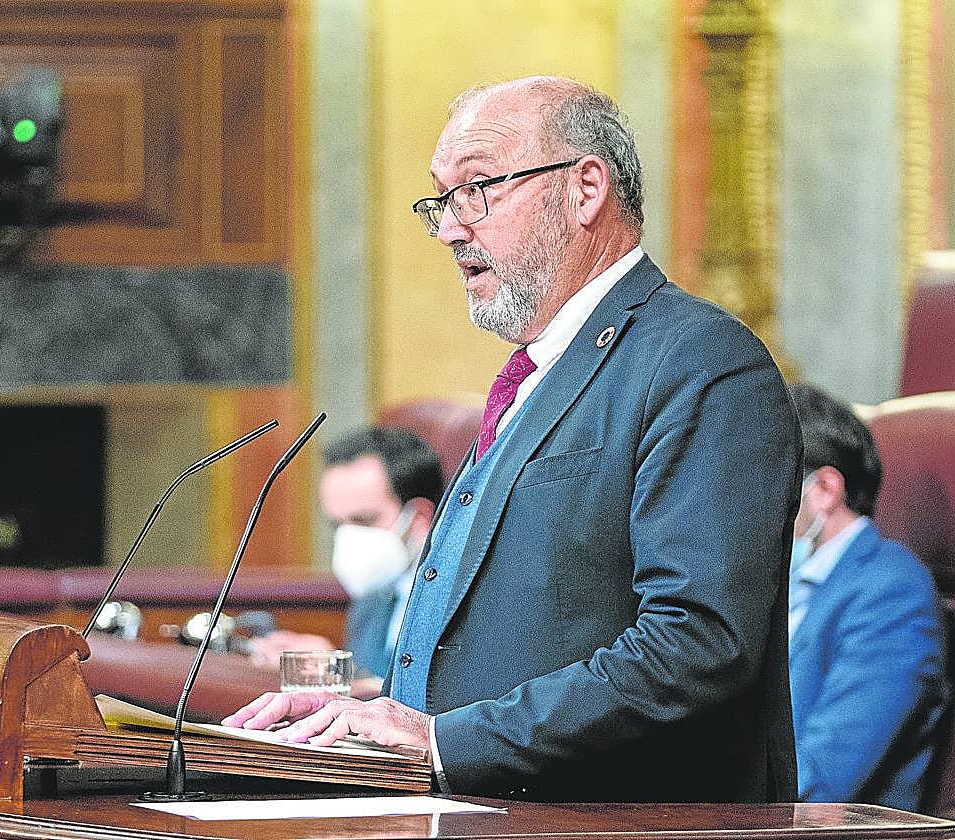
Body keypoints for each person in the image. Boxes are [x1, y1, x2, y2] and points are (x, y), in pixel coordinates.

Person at [225, 75, 801, 803]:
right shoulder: (534, 373)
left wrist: (442, 742)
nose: (450, 228)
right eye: (441, 200)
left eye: (478, 189)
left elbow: (697, 645)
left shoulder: (702, 363)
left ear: (585, 189)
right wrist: (370, 715)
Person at [787, 382, 946, 810]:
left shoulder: (892, 595)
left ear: (823, 489)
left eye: (766, 483)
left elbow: (822, 779)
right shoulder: (786, 581)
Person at [248, 425, 442, 684]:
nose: (349, 538)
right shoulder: (373, 597)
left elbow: (426, 705)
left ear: (419, 518)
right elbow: (374, 684)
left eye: (363, 521)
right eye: (337, 524)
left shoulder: (457, 600)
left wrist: (334, 668)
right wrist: (331, 665)